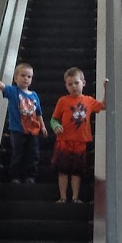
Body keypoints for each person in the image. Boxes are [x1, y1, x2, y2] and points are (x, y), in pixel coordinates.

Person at [0, 62, 48, 185]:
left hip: (32, 130)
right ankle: (15, 176)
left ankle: (30, 176)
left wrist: (43, 126)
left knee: (33, 154)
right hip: (17, 130)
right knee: (18, 153)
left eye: (29, 76)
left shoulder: (34, 95)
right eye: (23, 75)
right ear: (16, 78)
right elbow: (1, 86)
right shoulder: (13, 91)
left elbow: (38, 113)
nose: (26, 78)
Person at [49, 67, 108, 202]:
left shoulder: (89, 100)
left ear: (84, 83)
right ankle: (63, 197)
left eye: (76, 83)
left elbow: (104, 106)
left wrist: (106, 89)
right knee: (63, 170)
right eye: (70, 84)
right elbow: (53, 119)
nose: (74, 86)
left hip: (80, 142)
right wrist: (56, 126)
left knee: (77, 171)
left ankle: (75, 197)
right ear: (66, 86)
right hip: (64, 141)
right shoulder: (63, 101)